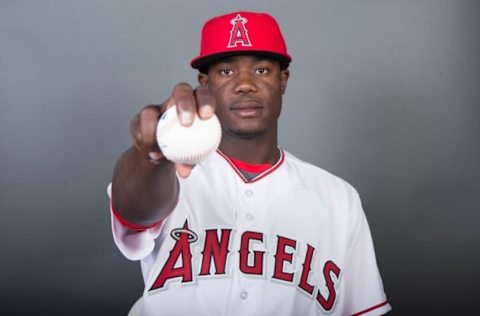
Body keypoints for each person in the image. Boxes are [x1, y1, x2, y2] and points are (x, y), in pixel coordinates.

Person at [109, 11, 391, 316]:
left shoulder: (338, 199)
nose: (245, 84)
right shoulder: (167, 177)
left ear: (283, 80)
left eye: (261, 70)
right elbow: (136, 208)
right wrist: (152, 157)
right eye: (227, 72)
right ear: (204, 84)